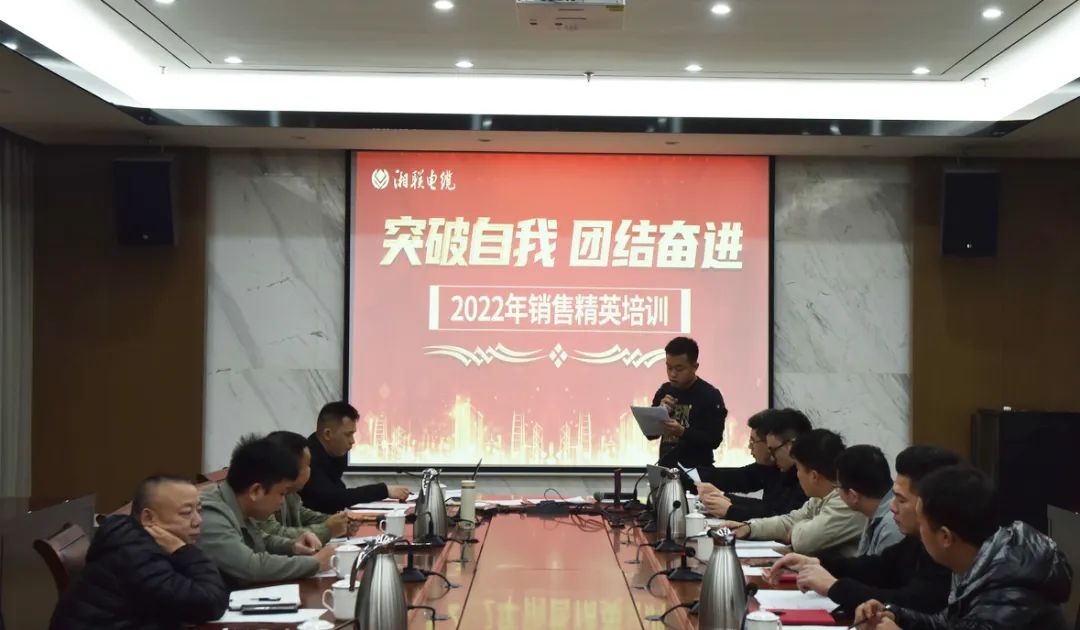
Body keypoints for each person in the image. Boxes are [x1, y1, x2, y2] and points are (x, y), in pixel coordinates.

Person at [856, 465, 1073, 630]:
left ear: (945, 537)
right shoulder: (987, 562)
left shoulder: (1004, 602)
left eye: (922, 524)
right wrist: (894, 614)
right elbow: (949, 624)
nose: (919, 533)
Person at [765, 446, 958, 614]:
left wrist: (834, 587)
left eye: (901, 500)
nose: (892, 507)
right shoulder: (917, 539)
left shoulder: (946, 549)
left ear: (929, 503)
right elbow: (879, 567)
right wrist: (818, 563)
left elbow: (912, 602)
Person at [49, 475, 228, 629]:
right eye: (186, 513)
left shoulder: (137, 541)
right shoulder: (133, 554)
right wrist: (183, 550)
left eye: (199, 510)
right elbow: (210, 604)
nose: (198, 521)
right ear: (148, 517)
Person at [198, 435, 337, 586]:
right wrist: (315, 563)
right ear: (256, 491)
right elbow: (250, 566)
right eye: (281, 493)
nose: (282, 502)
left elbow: (261, 540)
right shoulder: (209, 514)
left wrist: (293, 546)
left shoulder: (240, 504)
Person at [717, 428, 866, 557]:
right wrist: (749, 528)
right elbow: (789, 521)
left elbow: (804, 542)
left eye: (799, 469)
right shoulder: (820, 497)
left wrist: (796, 528)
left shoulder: (845, 502)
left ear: (814, 476)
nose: (797, 475)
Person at [696, 408, 811, 520]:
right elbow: (733, 478)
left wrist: (729, 506)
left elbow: (780, 515)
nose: (750, 446)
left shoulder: (807, 475)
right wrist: (722, 497)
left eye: (753, 441)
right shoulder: (778, 469)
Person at [300, 402, 411, 513]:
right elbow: (334, 498)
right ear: (327, 434)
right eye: (348, 435)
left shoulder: (335, 454)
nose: (352, 441)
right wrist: (384, 491)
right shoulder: (307, 459)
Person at [650, 337, 728, 469]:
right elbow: (651, 435)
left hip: (698, 472)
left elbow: (714, 440)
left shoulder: (710, 395)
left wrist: (682, 432)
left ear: (695, 367)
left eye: (679, 369)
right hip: (666, 470)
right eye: (669, 368)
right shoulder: (664, 391)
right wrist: (659, 413)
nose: (672, 374)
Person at [260, 430, 348, 543]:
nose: (310, 470)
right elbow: (275, 534)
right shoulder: (263, 493)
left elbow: (301, 514)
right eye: (308, 465)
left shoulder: (290, 493)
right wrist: (327, 529)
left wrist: (338, 522)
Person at [837, 445, 904, 556]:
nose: (837, 492)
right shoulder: (874, 511)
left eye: (838, 486)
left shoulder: (893, 524)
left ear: (853, 496)